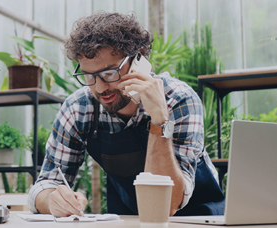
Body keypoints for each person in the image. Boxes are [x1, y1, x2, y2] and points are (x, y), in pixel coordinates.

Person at [28, 11, 225, 217]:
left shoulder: (178, 99)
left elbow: (167, 205)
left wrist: (159, 120)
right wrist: (54, 201)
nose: (101, 87)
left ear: (138, 57)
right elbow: (46, 184)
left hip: (197, 218)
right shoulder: (79, 108)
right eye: (89, 76)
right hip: (129, 219)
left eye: (109, 73)